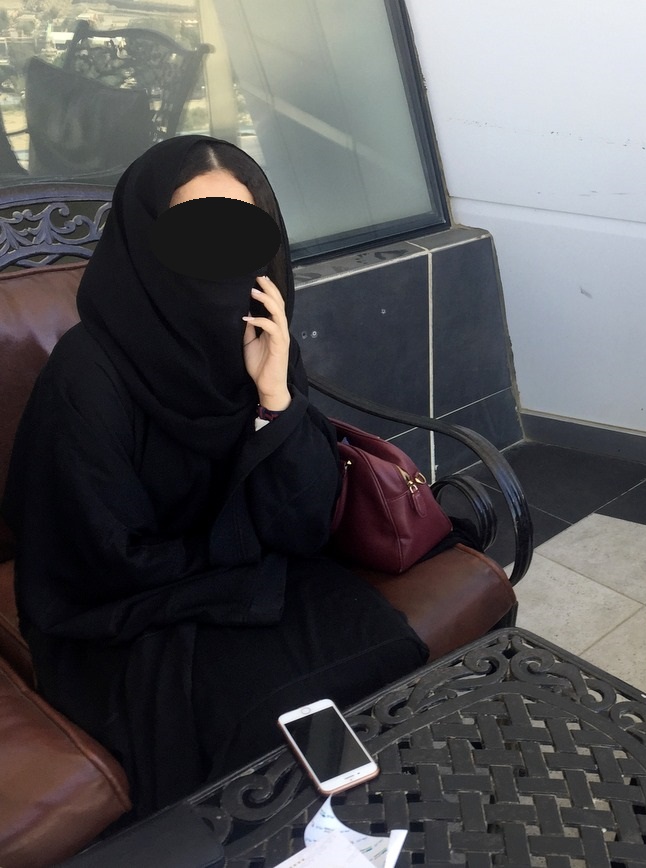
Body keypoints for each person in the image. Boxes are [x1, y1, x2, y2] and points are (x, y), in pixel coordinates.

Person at [2, 136, 429, 817]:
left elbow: (305, 524)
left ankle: (388, 823)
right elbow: (102, 557)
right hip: (127, 612)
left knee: (380, 650)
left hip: (250, 574)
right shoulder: (88, 376)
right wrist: (242, 560)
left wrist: (275, 399)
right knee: (252, 720)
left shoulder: (257, 340)